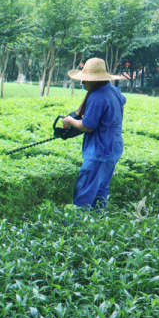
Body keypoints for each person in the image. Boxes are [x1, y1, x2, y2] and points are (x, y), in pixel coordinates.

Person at [61, 58, 126, 210]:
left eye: (85, 79)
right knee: (101, 189)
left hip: (99, 151)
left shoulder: (97, 96)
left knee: (85, 190)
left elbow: (88, 126)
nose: (83, 83)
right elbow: (123, 100)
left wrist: (71, 120)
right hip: (114, 148)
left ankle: (77, 226)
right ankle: (97, 224)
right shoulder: (114, 91)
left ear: (94, 80)